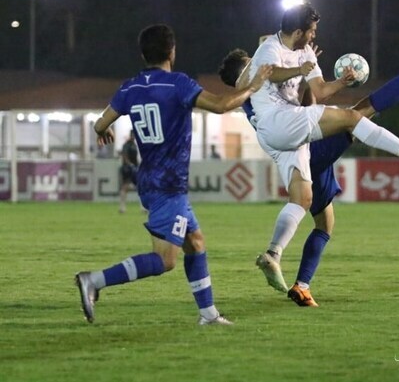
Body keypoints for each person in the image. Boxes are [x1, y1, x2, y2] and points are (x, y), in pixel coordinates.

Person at [219, 33, 399, 306]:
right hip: (308, 149)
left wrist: (303, 70)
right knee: (360, 113)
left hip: (297, 149)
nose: (258, 61)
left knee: (324, 224)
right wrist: (296, 59)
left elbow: (302, 108)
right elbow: (267, 43)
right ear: (245, 70)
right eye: (251, 61)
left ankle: (301, 285)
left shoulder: (253, 97)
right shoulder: (259, 81)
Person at [74, 24, 272, 325]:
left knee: (195, 242)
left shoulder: (130, 87)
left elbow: (101, 123)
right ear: (172, 51)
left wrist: (104, 130)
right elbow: (220, 106)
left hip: (152, 180)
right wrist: (254, 85)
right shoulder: (177, 84)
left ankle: (208, 314)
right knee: (165, 260)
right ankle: (94, 280)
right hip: (167, 185)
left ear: (143, 54)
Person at [119, 130, 139, 213]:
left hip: (134, 167)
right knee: (125, 187)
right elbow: (124, 155)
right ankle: (122, 207)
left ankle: (143, 207)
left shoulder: (135, 145)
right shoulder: (126, 145)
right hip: (127, 168)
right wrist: (130, 164)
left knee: (139, 187)